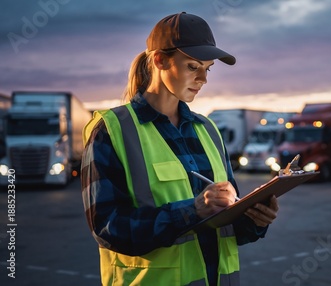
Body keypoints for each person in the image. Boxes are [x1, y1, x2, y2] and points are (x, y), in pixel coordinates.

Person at [80, 12, 279, 286]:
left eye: (207, 69)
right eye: (192, 66)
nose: (203, 79)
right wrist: (193, 210)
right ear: (160, 60)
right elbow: (108, 229)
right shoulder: (112, 130)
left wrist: (254, 221)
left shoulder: (208, 131)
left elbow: (226, 223)